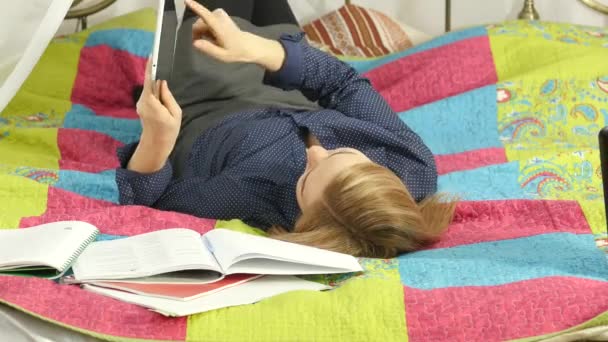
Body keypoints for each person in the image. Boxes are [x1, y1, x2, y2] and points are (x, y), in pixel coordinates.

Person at [117, 0, 456, 258]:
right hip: (280, 67)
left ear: (306, 224)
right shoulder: (412, 165)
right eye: (343, 153)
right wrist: (255, 49)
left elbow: (151, 200)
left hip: (209, 94)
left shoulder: (248, 195)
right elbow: (343, 84)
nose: (315, 151)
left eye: (307, 179)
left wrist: (156, 138)